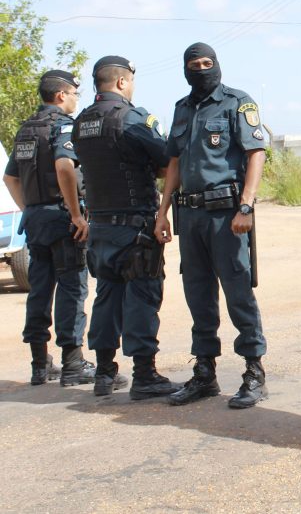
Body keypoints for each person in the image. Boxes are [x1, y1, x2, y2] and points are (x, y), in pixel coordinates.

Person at [155, 42, 268, 409]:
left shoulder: (237, 102)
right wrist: (162, 212)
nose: (202, 69)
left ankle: (254, 371)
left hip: (227, 215)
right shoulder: (181, 108)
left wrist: (246, 206)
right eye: (194, 64)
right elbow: (173, 162)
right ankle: (205, 373)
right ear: (186, 69)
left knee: (238, 293)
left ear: (217, 65)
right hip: (189, 216)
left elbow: (255, 153)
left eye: (208, 63)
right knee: (198, 294)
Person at [72, 56, 179, 399]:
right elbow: (166, 163)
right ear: (121, 82)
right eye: (131, 81)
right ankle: (145, 376)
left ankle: (104, 373)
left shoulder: (81, 122)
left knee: (106, 297)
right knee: (142, 298)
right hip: (134, 228)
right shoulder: (132, 117)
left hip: (100, 227)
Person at [3, 70, 92, 386]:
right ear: (61, 95)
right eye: (73, 94)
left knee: (40, 289)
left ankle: (40, 365)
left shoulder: (26, 130)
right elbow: (64, 166)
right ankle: (73, 364)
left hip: (36, 221)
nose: (74, 100)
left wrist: (29, 209)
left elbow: (9, 177)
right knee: (72, 287)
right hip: (61, 219)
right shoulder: (63, 126)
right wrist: (76, 214)